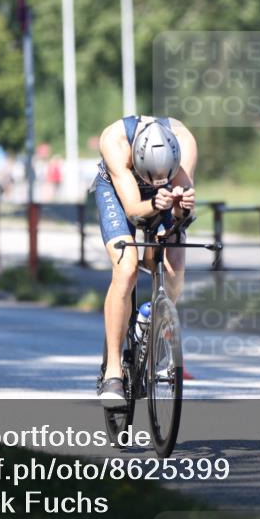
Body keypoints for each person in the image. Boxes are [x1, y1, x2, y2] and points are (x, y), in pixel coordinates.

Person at [93, 115, 197, 407]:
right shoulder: (114, 140)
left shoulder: (185, 141)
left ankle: (152, 315)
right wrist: (154, 202)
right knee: (126, 270)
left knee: (173, 260)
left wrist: (181, 209)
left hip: (163, 199)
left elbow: (183, 216)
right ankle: (113, 370)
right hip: (119, 194)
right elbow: (133, 211)